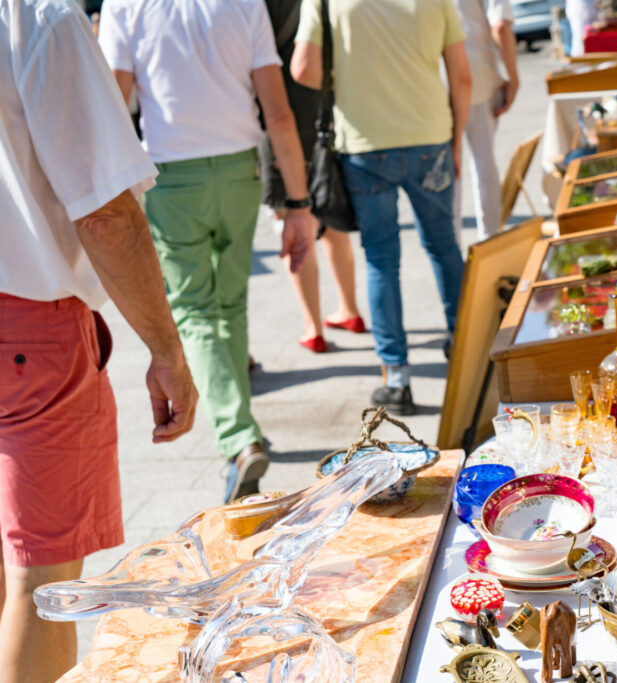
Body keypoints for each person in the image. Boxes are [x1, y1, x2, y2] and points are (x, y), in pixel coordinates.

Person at [0, 1, 198, 679]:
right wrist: (166, 349)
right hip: (26, 326)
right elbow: (107, 214)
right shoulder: (41, 18)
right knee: (40, 585)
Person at [99, 0, 317, 502]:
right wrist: (299, 205)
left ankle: (239, 438)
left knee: (195, 308)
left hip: (172, 175)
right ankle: (241, 429)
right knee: (230, 303)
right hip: (241, 170)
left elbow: (115, 106)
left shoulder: (125, 6)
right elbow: (278, 114)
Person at [292, 0, 472, 415]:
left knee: (381, 259)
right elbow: (461, 77)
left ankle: (396, 378)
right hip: (430, 135)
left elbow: (303, 69)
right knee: (444, 247)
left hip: (365, 144)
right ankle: (467, 349)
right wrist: (456, 139)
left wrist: (350, 77)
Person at [262, 0, 366, 354]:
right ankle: (349, 309)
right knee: (332, 220)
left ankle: (313, 326)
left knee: (294, 226)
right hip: (326, 116)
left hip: (279, 119)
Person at [452, 0, 519, 243]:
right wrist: (512, 77)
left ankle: (452, 249)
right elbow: (500, 26)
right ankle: (490, 240)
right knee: (484, 163)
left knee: (451, 171)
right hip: (478, 74)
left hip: (443, 80)